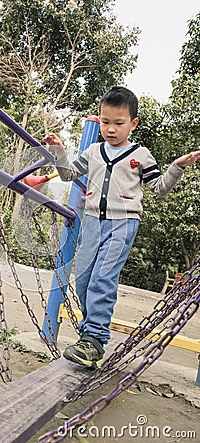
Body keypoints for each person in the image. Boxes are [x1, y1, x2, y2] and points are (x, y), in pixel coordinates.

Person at [43, 86, 200, 369]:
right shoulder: (92, 152)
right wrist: (58, 151)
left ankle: (94, 339)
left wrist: (177, 167)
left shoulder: (141, 155)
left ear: (133, 123)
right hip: (91, 221)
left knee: (103, 277)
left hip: (123, 223)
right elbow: (67, 174)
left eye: (118, 123)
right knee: (84, 279)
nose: (111, 129)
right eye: (105, 122)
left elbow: (160, 188)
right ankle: (90, 337)